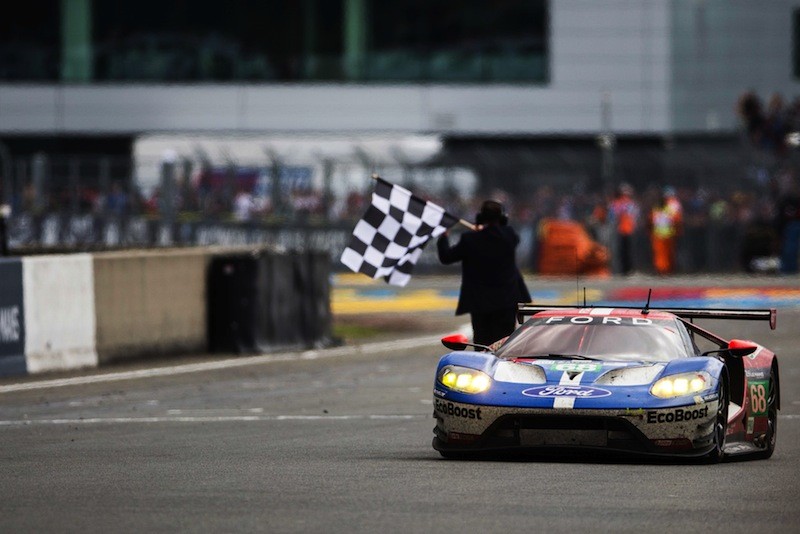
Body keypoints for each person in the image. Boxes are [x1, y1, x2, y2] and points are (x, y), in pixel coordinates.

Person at [437, 200, 531, 346]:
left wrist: (444, 237)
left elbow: (446, 257)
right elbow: (502, 232)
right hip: (506, 302)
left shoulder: (469, 239)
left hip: (480, 303)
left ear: (481, 217)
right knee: (505, 345)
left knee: (482, 344)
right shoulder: (509, 236)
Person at [648, 187, 683, 275]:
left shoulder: (655, 210)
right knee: (666, 253)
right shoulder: (669, 210)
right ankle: (666, 269)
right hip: (668, 234)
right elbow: (676, 220)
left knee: (661, 254)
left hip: (659, 235)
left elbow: (650, 222)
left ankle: (662, 269)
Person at [609, 183, 640, 274]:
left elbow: (635, 215)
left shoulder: (622, 203)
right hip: (623, 230)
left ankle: (626, 270)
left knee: (624, 251)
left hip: (624, 230)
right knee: (625, 251)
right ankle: (626, 270)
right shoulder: (625, 203)